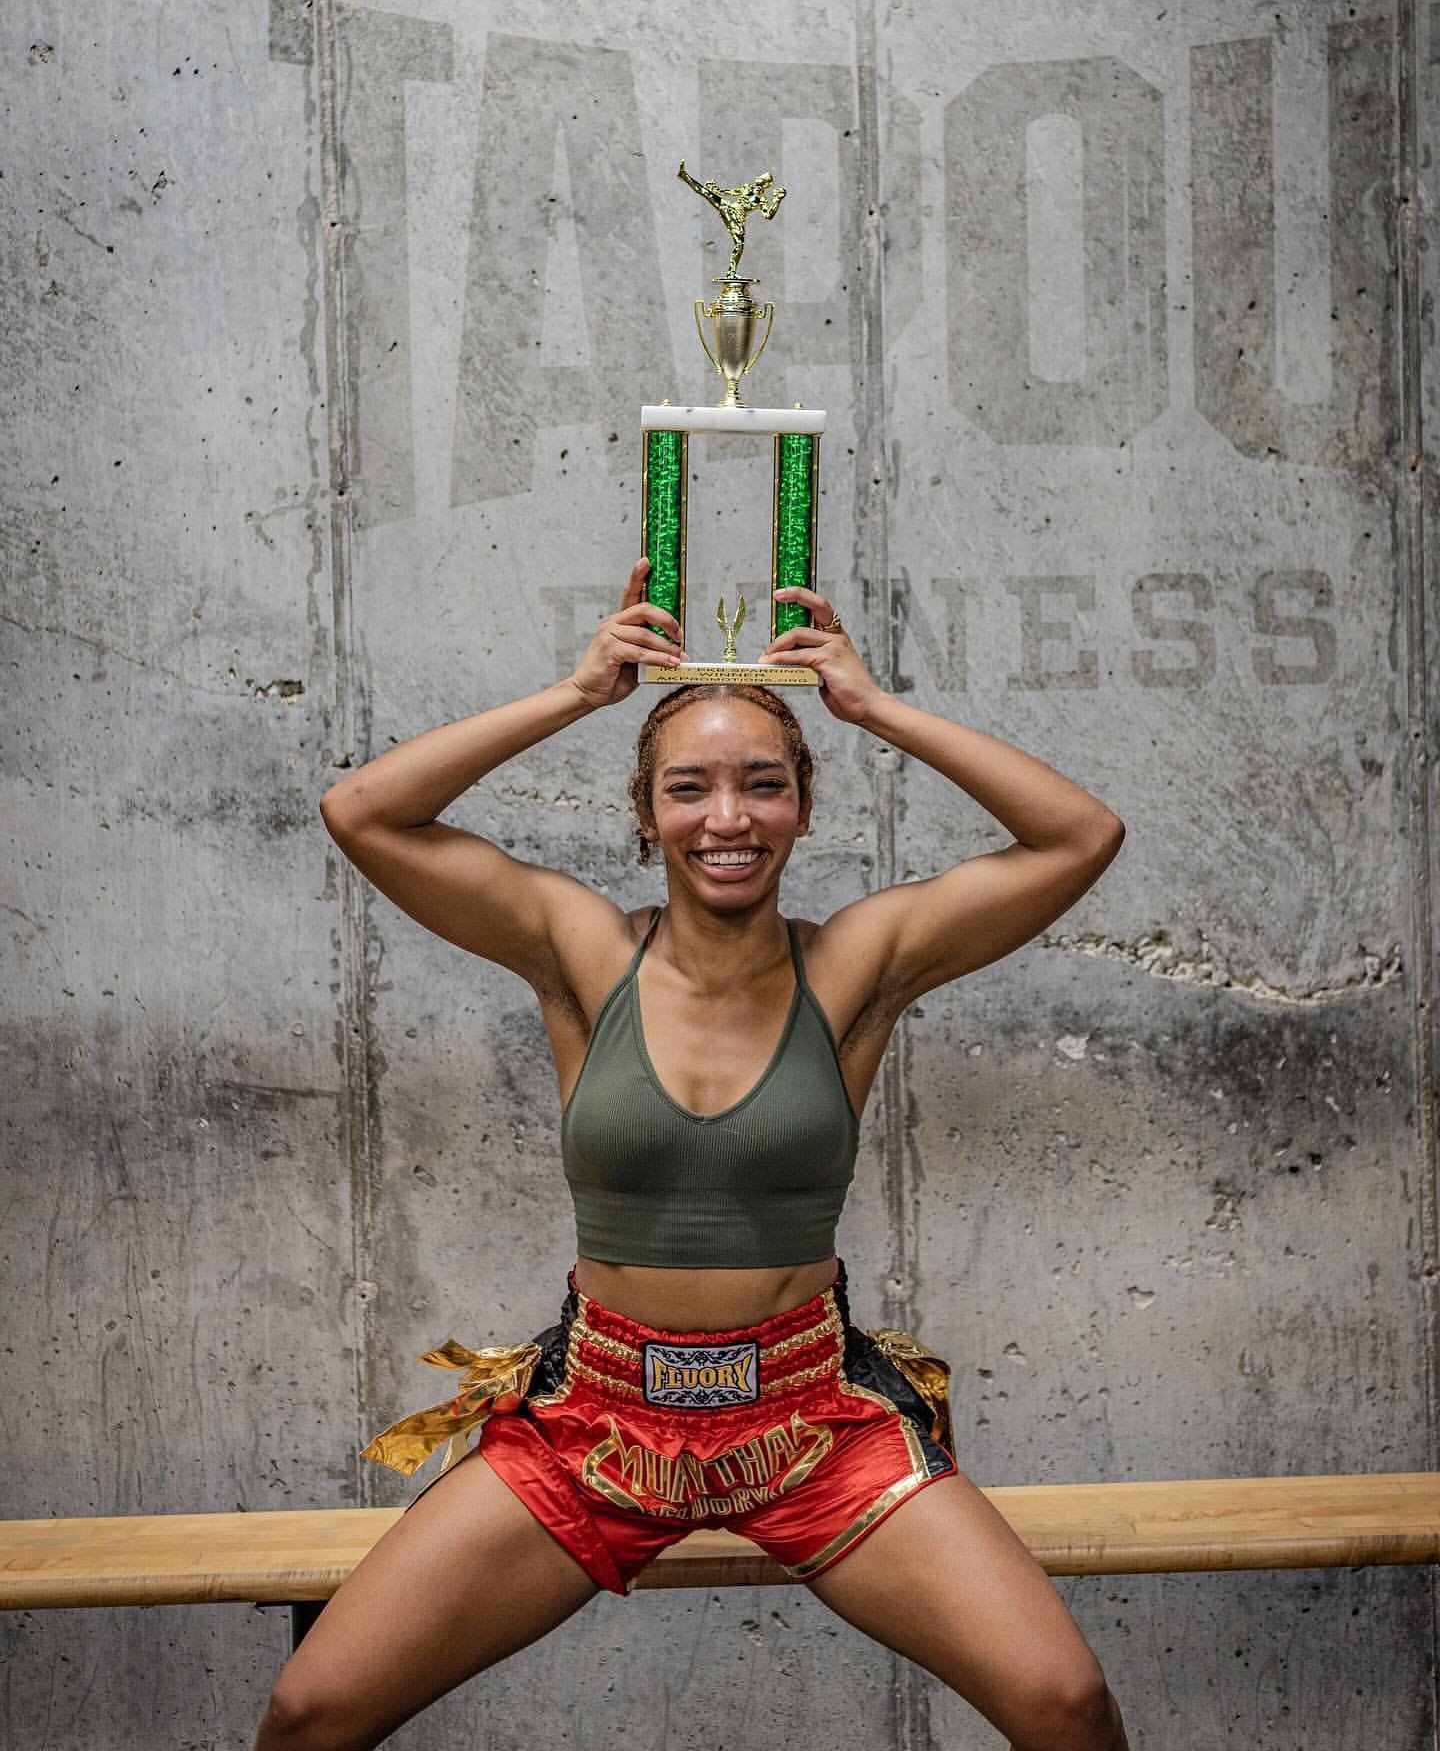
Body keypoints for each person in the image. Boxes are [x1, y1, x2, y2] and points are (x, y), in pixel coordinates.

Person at [255, 560, 1130, 1751]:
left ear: (805, 806)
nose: (729, 818)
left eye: (764, 785)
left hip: (811, 1415)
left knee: (1065, 1703)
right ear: (646, 810)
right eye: (691, 789)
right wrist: (576, 693)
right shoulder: (580, 951)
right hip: (597, 1422)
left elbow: (1081, 835)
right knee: (311, 1711)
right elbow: (363, 811)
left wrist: (875, 709)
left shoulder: (857, 964)